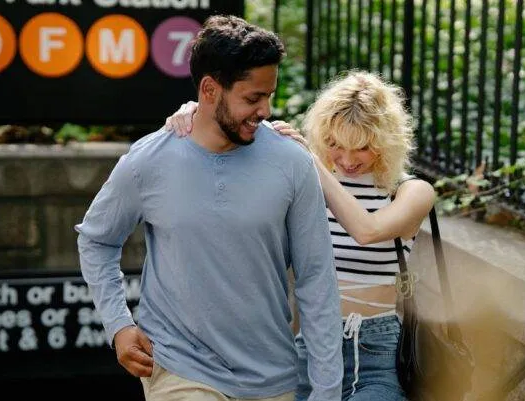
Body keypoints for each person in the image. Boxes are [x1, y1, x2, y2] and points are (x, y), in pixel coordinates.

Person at [75, 15, 344, 401]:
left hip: (271, 377)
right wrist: (119, 324)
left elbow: (316, 279)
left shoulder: (292, 163)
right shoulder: (149, 161)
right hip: (178, 367)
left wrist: (327, 390)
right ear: (209, 89)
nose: (265, 110)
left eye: (269, 96)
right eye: (253, 98)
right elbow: (97, 241)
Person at [164, 70, 437, 401]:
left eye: (362, 147)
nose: (347, 160)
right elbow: (229, 151)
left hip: (378, 354)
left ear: (385, 142)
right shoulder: (307, 183)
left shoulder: (410, 190)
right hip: (311, 350)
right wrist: (195, 111)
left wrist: (312, 161)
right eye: (335, 144)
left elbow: (368, 230)